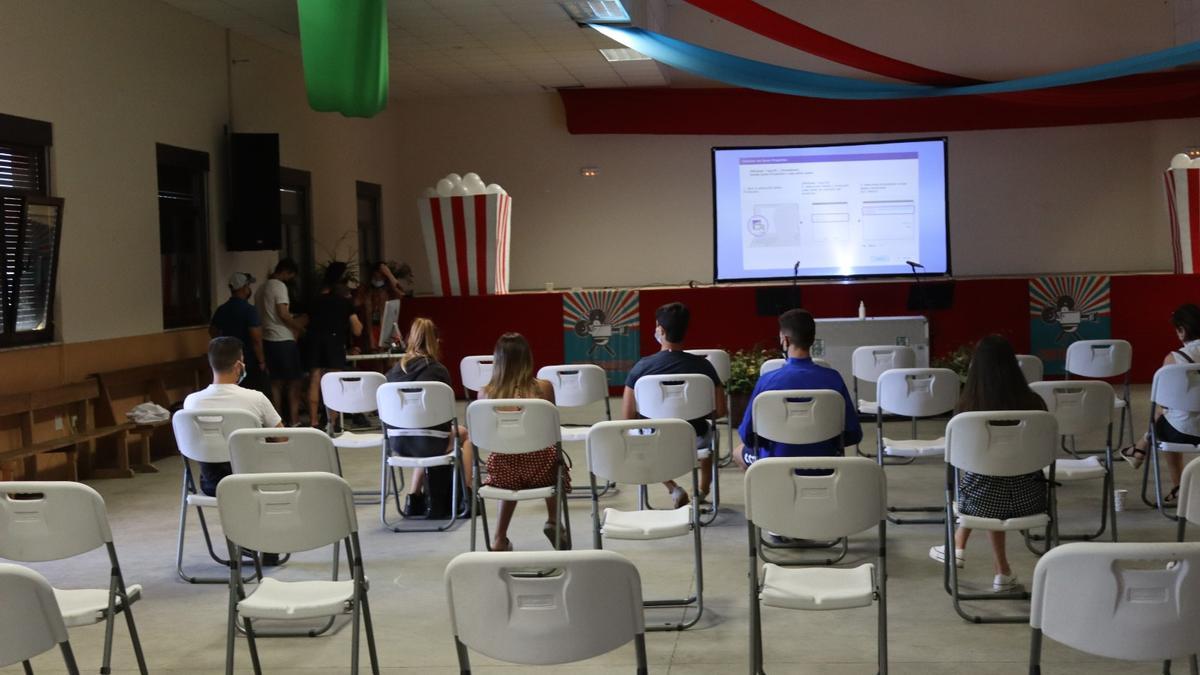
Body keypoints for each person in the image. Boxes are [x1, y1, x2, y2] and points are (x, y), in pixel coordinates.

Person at [929, 334, 1047, 592]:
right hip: (1033, 499)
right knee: (1000, 474)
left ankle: (957, 545)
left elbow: (958, 460)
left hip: (980, 503)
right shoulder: (1035, 405)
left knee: (986, 475)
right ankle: (1001, 572)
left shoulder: (967, 409)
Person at [462, 332, 570, 551]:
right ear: (527, 358)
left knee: (509, 458)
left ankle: (499, 538)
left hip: (503, 470)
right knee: (553, 460)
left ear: (498, 361)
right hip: (542, 467)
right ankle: (553, 520)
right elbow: (552, 433)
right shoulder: (544, 388)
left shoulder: (485, 394)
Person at [623, 302, 726, 509]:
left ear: (660, 330)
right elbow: (722, 411)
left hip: (653, 440)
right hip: (694, 440)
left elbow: (626, 417)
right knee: (709, 433)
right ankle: (702, 490)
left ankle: (674, 488)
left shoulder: (641, 367)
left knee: (635, 436)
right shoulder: (704, 366)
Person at [733, 308, 861, 470]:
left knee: (738, 452)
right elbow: (853, 434)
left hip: (776, 461)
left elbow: (748, 435)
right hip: (825, 462)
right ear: (813, 339)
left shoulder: (767, 381)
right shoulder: (833, 378)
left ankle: (768, 493)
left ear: (785, 340)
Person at [384, 318, 469, 519]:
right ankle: (467, 496)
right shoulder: (438, 371)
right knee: (464, 435)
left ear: (410, 339)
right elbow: (446, 418)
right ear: (435, 341)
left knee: (421, 433)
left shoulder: (392, 373)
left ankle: (414, 497)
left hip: (398, 443)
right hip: (431, 442)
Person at [1119, 303, 1200, 504]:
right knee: (1167, 418)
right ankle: (1139, 449)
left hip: (1182, 431)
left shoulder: (1173, 360)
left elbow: (1162, 405)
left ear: (1182, 331)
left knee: (1164, 419)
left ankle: (1178, 485)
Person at [183, 337, 283, 497]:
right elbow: (282, 438)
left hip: (212, 486)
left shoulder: (191, 401)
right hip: (252, 481)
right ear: (238, 366)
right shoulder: (256, 398)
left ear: (211, 363)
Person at [304, 262, 363, 429]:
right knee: (334, 381)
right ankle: (333, 420)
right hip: (335, 341)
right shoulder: (343, 303)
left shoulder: (315, 301)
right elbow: (357, 329)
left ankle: (314, 421)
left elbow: (305, 321)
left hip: (314, 339)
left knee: (314, 379)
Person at [255, 258, 305, 425]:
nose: (290, 279)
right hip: (283, 339)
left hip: (267, 339)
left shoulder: (260, 289)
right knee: (294, 381)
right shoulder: (279, 286)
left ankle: (277, 421)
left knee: (275, 383)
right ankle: (295, 420)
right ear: (286, 272)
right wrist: (298, 326)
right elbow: (283, 313)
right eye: (290, 275)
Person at [209, 272, 268, 395]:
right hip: (248, 361)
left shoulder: (222, 309)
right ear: (244, 288)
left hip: (227, 360)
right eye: (248, 286)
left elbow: (213, 331)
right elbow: (256, 339)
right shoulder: (249, 310)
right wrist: (262, 361)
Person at [354, 261, 407, 368]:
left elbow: (401, 294)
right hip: (371, 331)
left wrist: (389, 274)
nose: (379, 276)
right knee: (376, 364)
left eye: (382, 274)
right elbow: (355, 303)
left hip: (389, 331)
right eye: (377, 273)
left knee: (392, 363)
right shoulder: (365, 289)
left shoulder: (389, 290)